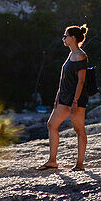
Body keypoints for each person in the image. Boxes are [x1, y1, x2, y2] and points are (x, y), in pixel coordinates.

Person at [40, 23, 90, 171]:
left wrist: (75, 101)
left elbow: (81, 81)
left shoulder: (81, 56)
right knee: (51, 124)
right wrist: (58, 95)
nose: (63, 38)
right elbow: (64, 78)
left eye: (65, 36)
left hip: (76, 98)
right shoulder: (71, 54)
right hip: (64, 97)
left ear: (73, 38)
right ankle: (52, 161)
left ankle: (79, 164)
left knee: (79, 130)